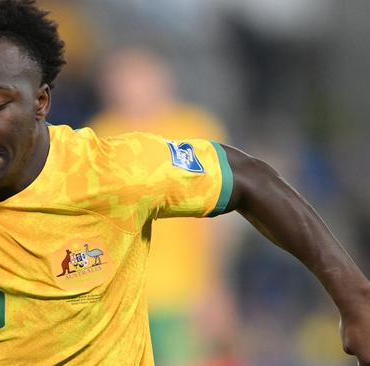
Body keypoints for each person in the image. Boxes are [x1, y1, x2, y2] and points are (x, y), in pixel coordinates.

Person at [0, 1, 370, 365]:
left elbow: (247, 176)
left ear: (42, 101)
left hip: (176, 308)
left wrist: (355, 299)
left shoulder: (109, 170)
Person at [88, 47, 238, 365]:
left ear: (161, 78)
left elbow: (214, 221)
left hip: (181, 294)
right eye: (120, 77)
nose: (129, 86)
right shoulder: (100, 136)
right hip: (119, 298)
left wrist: (214, 287)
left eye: (138, 75)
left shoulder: (195, 131)